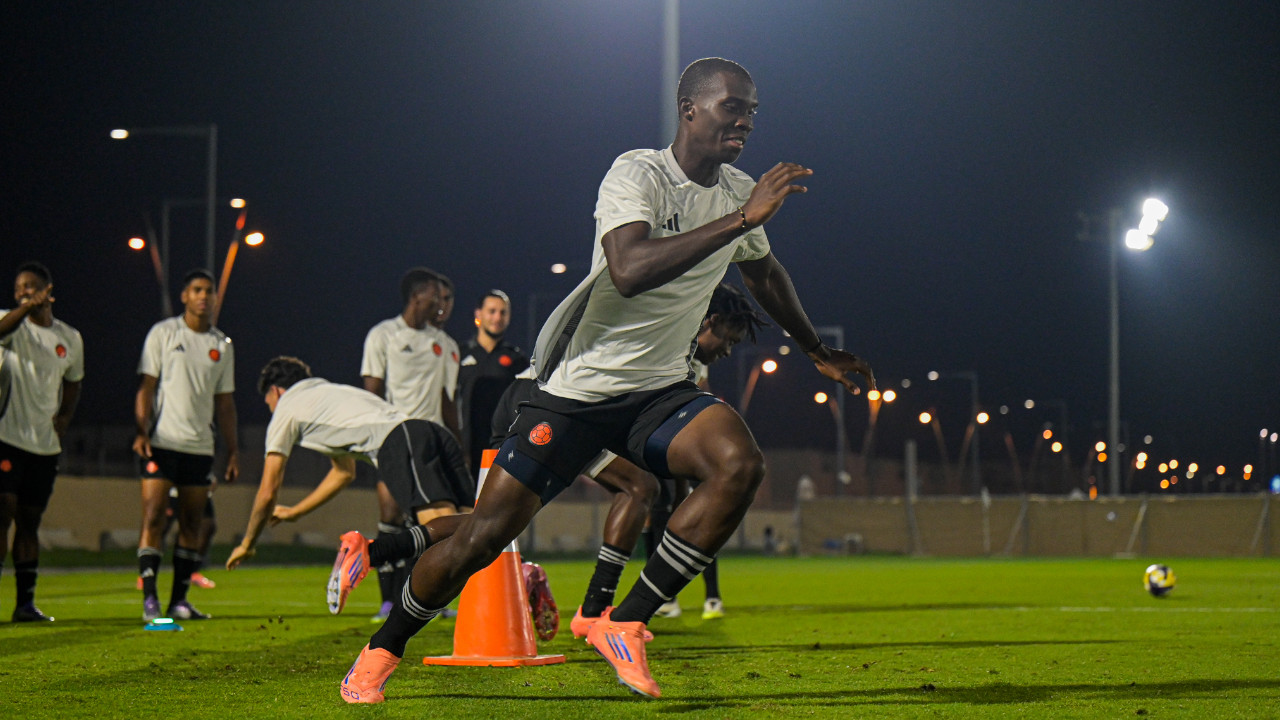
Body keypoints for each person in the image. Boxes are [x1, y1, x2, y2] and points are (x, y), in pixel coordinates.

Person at [338, 57, 874, 703]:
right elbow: (628, 267)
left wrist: (815, 348)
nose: (746, 121)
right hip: (577, 392)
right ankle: (381, 649)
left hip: (659, 390)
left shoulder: (737, 191)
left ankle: (623, 622)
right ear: (691, 110)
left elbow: (763, 274)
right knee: (481, 538)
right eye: (734, 106)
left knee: (738, 464)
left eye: (753, 110)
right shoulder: (638, 172)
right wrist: (740, 222)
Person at [225, 358, 474, 600]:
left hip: (401, 441)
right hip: (435, 432)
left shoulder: (286, 409)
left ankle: (367, 553)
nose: (269, 406)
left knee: (442, 530)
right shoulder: (327, 392)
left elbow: (268, 491)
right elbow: (344, 472)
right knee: (476, 526)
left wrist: (248, 543)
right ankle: (478, 607)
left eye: (267, 399)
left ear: (276, 391)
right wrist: (296, 512)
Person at [132, 269, 238, 621]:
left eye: (209, 290)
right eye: (197, 289)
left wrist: (232, 450)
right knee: (153, 518)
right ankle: (150, 600)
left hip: (200, 448)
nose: (204, 296)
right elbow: (147, 386)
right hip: (162, 442)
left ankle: (179, 600)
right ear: (185, 296)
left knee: (194, 525)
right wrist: (142, 430)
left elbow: (225, 403)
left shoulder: (222, 345)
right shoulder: (163, 333)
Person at [361, 268, 463, 622]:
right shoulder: (383, 335)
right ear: (419, 296)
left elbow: (449, 401)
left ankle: (431, 598)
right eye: (438, 296)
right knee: (390, 517)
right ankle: (387, 602)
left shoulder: (446, 344)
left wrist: (459, 445)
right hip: (393, 440)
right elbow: (370, 394)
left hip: (433, 444)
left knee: (435, 522)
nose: (442, 303)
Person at [0, 262, 83, 623]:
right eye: (19, 287)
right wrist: (24, 309)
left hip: (44, 447)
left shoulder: (69, 337)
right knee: (1, 513)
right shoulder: (11, 323)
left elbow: (74, 381)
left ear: (49, 291)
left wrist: (64, 417)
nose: (23, 292)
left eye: (31, 287)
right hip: (6, 438)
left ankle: (25, 604)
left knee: (29, 522)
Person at [457, 289, 530, 474]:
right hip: (464, 447)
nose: (497, 317)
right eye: (492, 311)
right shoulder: (459, 354)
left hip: (502, 448)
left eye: (503, 312)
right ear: (478, 314)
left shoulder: (517, 359)